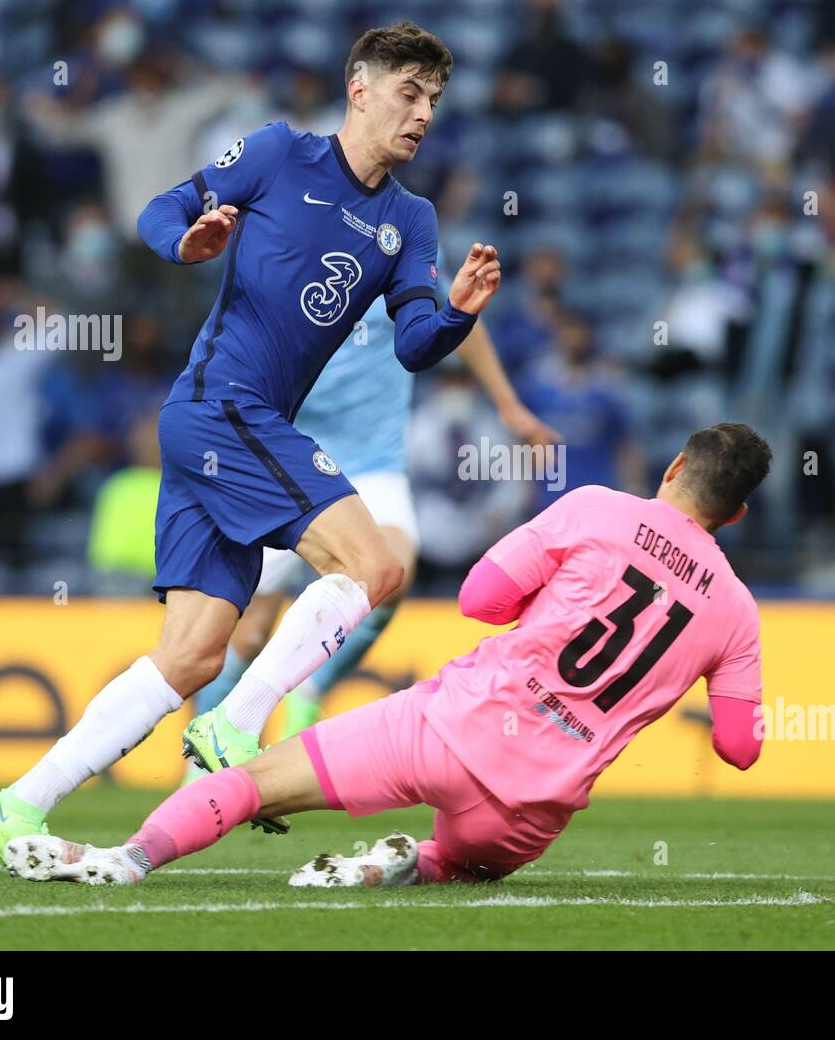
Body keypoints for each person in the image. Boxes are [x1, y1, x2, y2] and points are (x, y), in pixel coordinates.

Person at [0, 21, 502, 863]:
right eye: (409, 92)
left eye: (434, 98)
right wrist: (183, 243)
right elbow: (160, 208)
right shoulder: (278, 153)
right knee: (377, 566)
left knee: (188, 655)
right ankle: (238, 724)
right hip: (223, 407)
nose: (423, 112)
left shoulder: (412, 220)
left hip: (234, 426)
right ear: (359, 89)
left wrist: (459, 314)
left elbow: (412, 345)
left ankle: (17, 803)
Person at [3, 423, 772, 888]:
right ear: (735, 514)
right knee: (457, 866)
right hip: (531, 812)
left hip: (448, 730)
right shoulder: (736, 610)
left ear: (673, 468)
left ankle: (133, 858)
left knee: (248, 784)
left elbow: (480, 599)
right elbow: (738, 749)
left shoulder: (597, 508)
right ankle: (405, 864)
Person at [188, 253, 558, 740]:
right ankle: (201, 759)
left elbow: (463, 318)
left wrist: (509, 407)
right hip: (290, 456)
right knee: (250, 631)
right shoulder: (285, 257)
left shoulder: (400, 248)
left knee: (391, 572)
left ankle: (310, 691)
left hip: (372, 462)